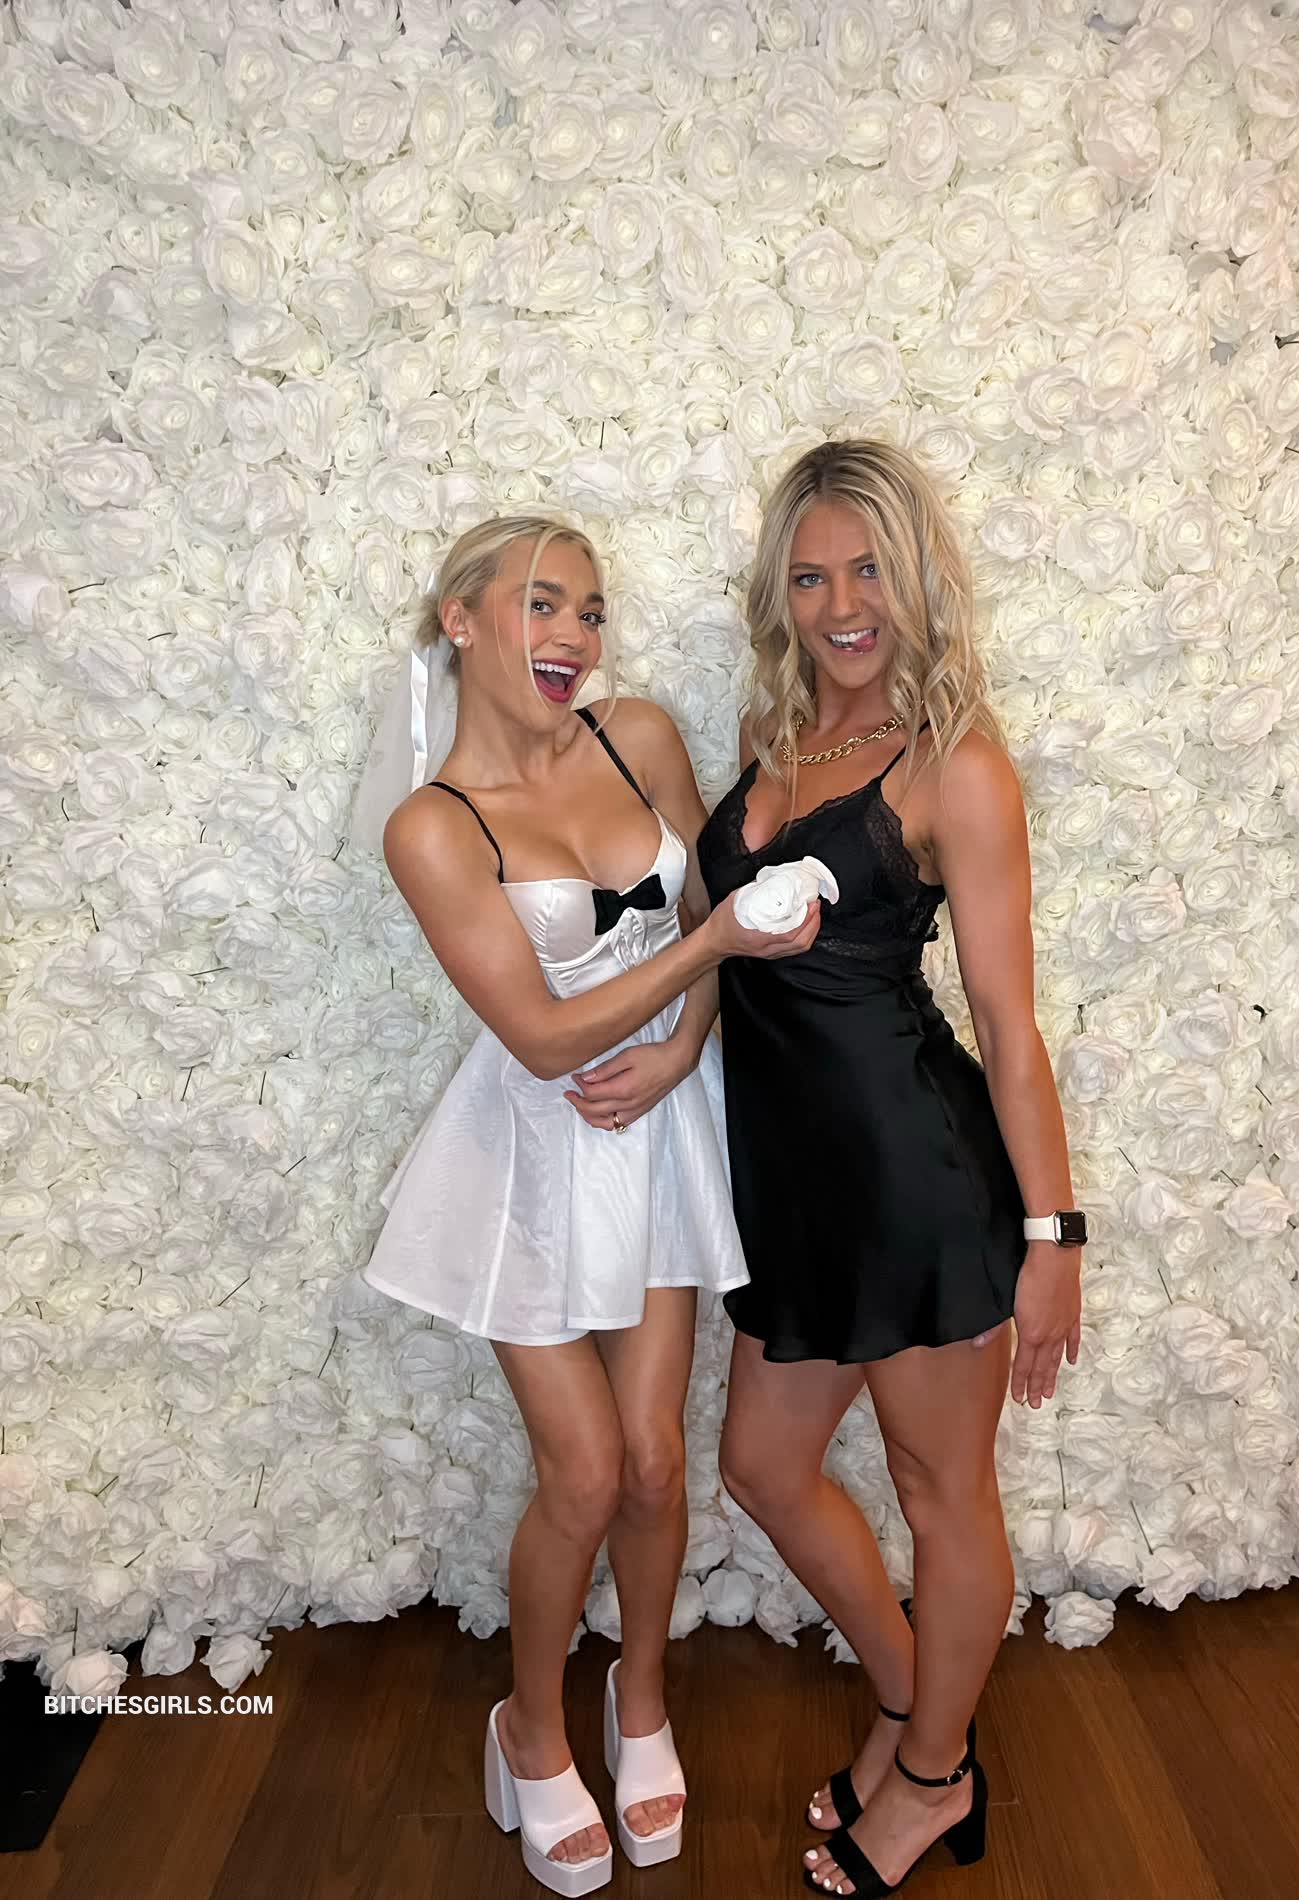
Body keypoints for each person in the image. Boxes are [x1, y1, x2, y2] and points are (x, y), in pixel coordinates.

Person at [354, 515, 819, 1897]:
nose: (573, 636)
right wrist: (711, 945)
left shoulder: (641, 738)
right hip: (529, 1165)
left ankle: (642, 1699)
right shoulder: (431, 827)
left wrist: (684, 1047)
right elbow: (545, 1036)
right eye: (543, 604)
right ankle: (532, 1727)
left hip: (658, 1138)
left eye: (592, 611)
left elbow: (711, 915)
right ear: (461, 617)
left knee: (657, 1465)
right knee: (586, 1473)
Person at [698, 442, 1087, 1898]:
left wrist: (1052, 1235)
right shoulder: (772, 731)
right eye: (809, 576)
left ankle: (929, 1780)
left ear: (915, 577)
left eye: (867, 568)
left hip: (917, 1176)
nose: (842, 604)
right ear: (780, 596)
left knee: (942, 1492)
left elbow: (1005, 1021)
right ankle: (923, 1710)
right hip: (794, 1188)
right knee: (761, 1465)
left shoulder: (956, 765)